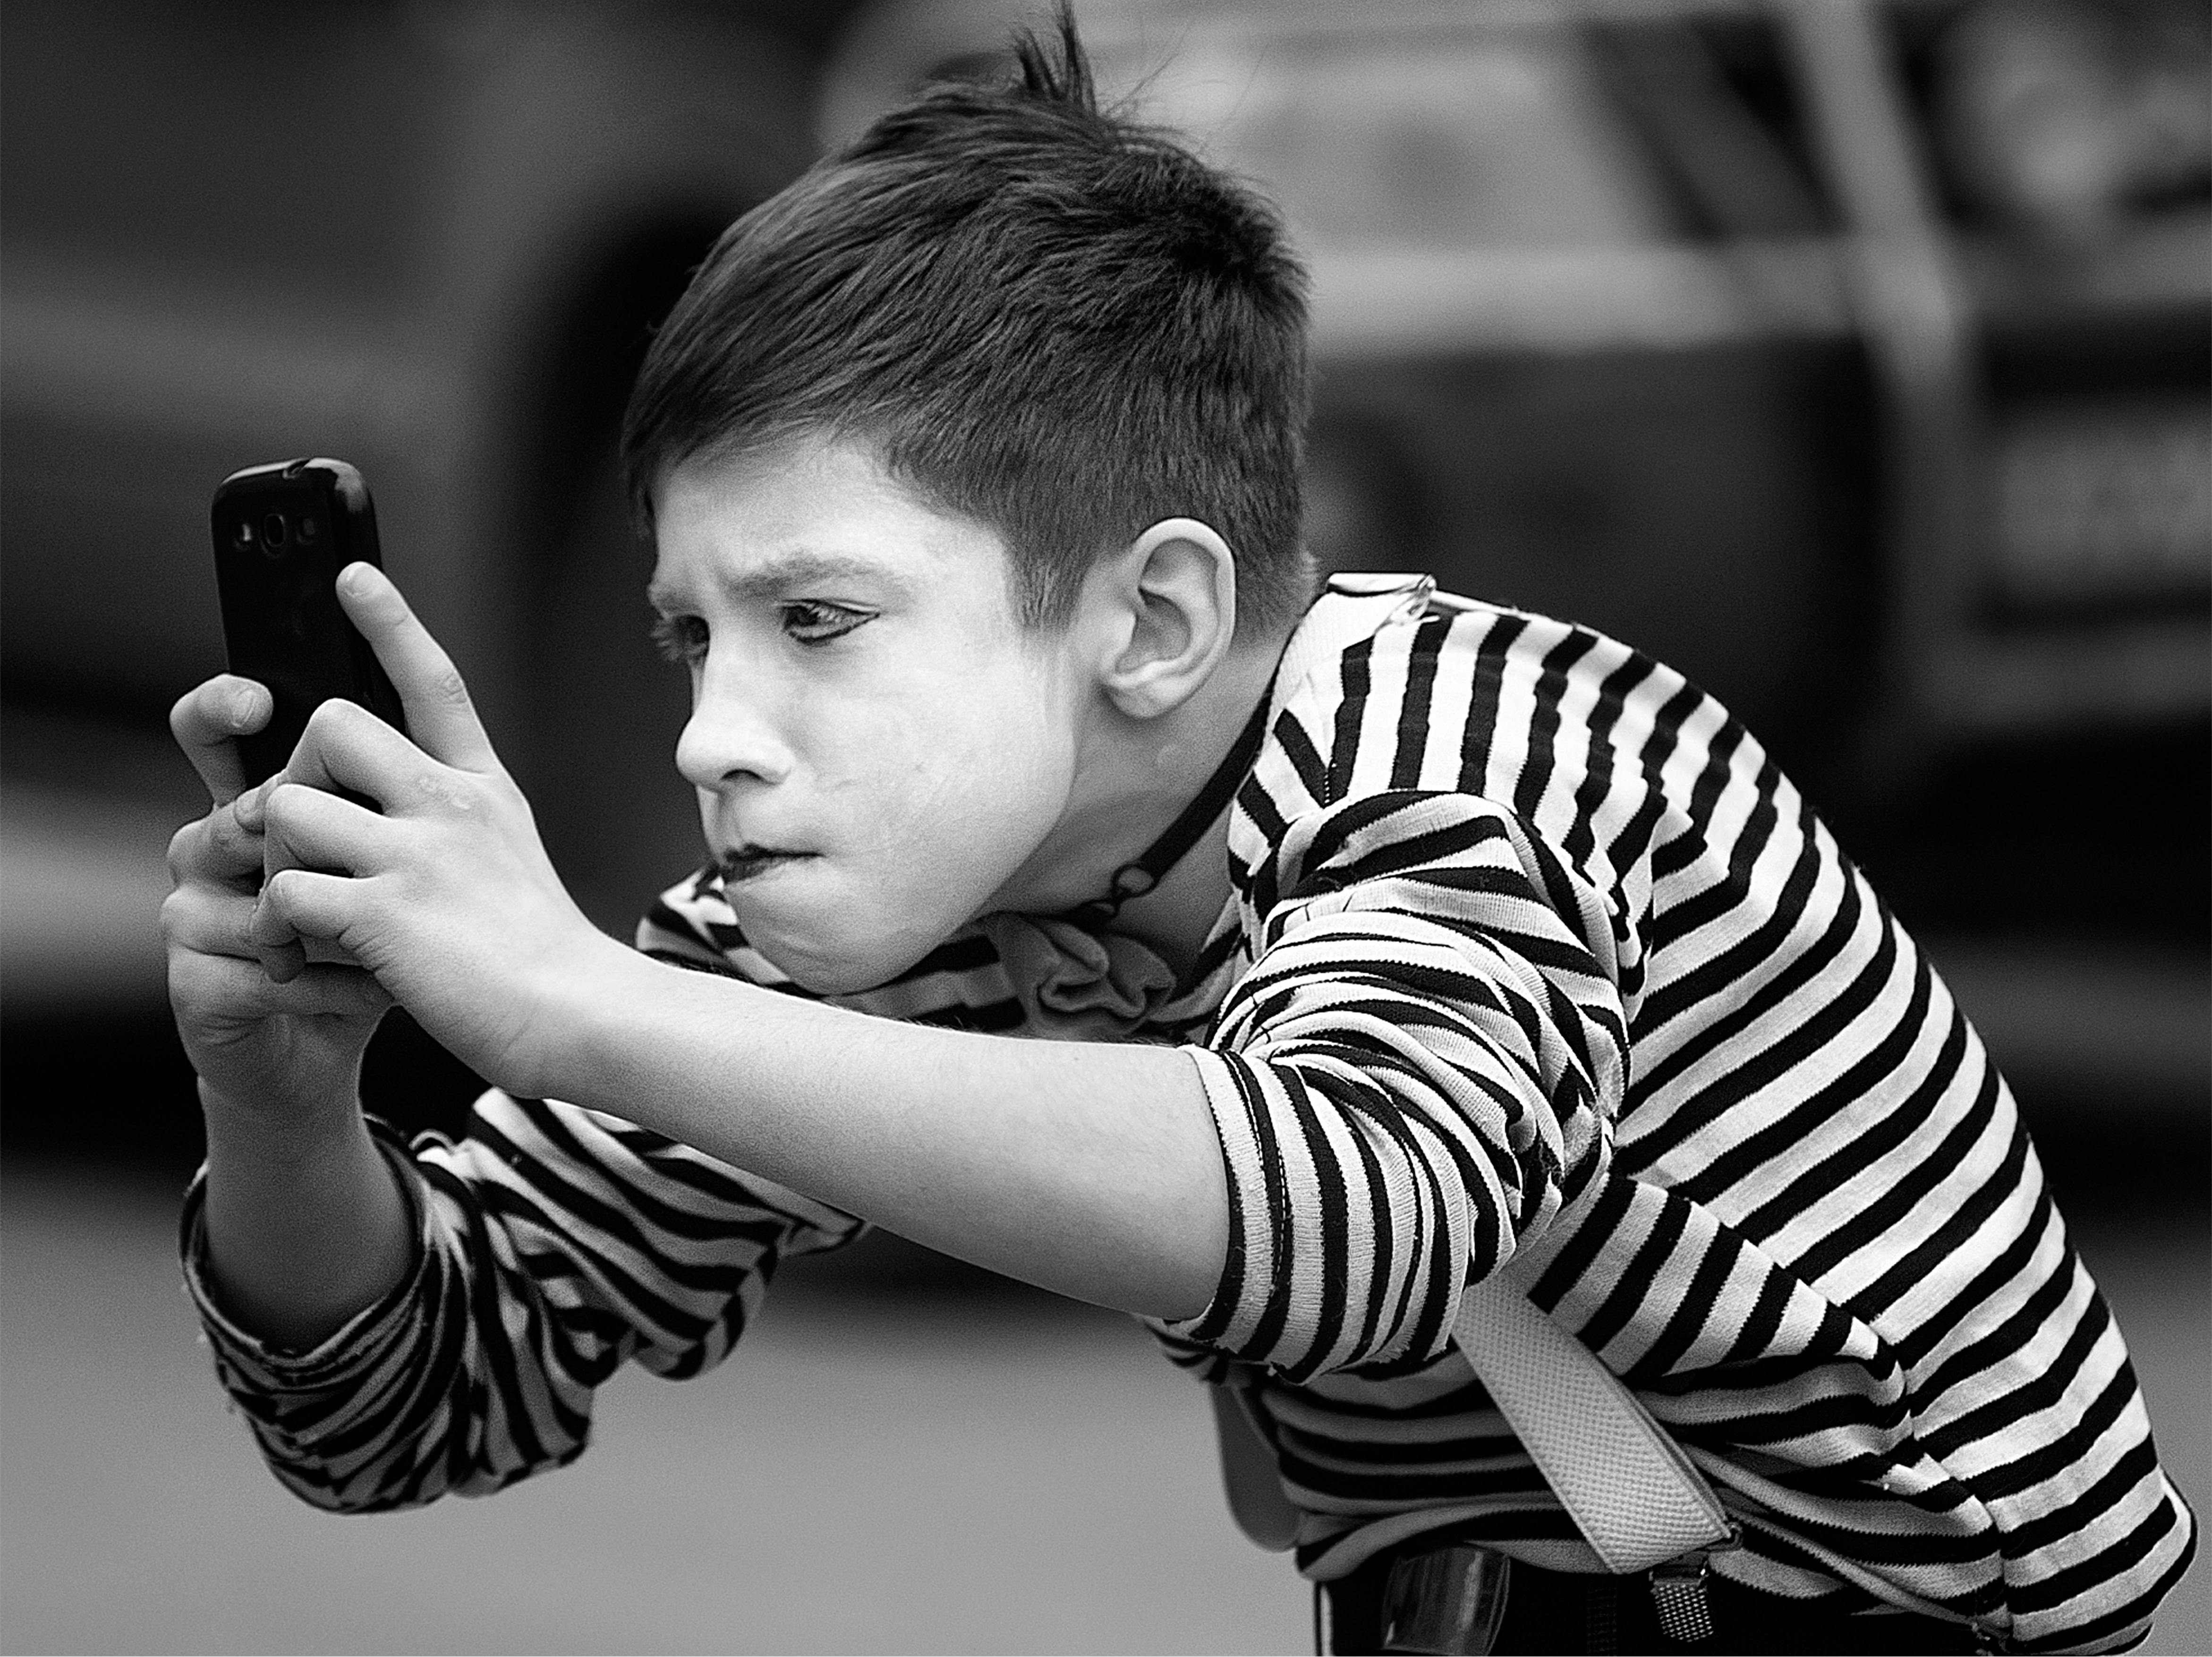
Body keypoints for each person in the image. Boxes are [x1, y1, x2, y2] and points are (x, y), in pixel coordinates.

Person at [161, 14, 2192, 1653]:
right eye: (692, 633)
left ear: (1150, 617)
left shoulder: (1475, 759)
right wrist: (286, 1107)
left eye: (822, 624)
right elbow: (411, 1392)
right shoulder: (890, 882)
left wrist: (575, 1003)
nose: (716, 733)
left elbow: (1350, 1222)